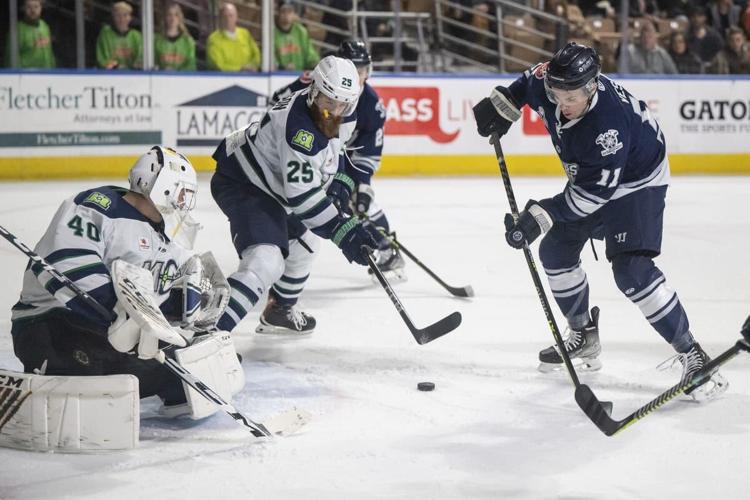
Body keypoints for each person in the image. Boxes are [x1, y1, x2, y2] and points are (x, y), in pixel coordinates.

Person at [472, 42, 728, 401]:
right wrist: (503, 106)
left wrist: (539, 215)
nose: (562, 103)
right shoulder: (553, 80)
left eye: (571, 96)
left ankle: (694, 354)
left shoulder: (609, 126)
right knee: (556, 251)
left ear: (592, 87)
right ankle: (584, 337)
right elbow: (528, 82)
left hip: (637, 182)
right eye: (557, 94)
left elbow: (592, 197)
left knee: (632, 271)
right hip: (594, 178)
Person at [9, 147, 207, 409]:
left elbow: (154, 298)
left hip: (104, 334)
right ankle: (57, 384)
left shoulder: (165, 236)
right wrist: (119, 311)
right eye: (183, 194)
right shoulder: (97, 206)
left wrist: (184, 306)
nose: (184, 204)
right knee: (90, 375)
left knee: (189, 369)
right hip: (50, 322)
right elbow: (67, 263)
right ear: (163, 187)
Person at [210, 55, 378, 335]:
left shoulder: (334, 107)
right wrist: (344, 232)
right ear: (314, 90)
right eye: (329, 101)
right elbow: (302, 199)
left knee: (307, 243)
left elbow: (339, 149)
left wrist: (342, 181)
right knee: (266, 259)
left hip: (274, 185)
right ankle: (211, 333)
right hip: (243, 182)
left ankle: (279, 310)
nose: (335, 111)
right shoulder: (300, 130)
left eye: (342, 104)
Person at [271, 40, 405, 283]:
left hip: (344, 157)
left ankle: (387, 248)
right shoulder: (318, 83)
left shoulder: (372, 106)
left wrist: (361, 184)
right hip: (316, 151)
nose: (359, 75)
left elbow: (368, 152)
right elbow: (277, 99)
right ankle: (283, 249)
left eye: (363, 69)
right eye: (354, 68)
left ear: (369, 71)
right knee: (299, 197)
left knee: (360, 202)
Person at [207, 2, 260, 72]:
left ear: (236, 17)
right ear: (220, 18)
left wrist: (252, 65)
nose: (228, 19)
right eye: (225, 16)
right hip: (224, 79)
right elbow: (218, 65)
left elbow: (257, 55)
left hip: (249, 76)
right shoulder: (213, 39)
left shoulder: (245, 34)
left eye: (231, 16)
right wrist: (240, 68)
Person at [5, 0, 55, 69]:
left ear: (41, 8)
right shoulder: (16, 30)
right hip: (25, 77)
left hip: (47, 76)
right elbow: (10, 60)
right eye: (29, 7)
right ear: (23, 8)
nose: (33, 10)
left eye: (36, 7)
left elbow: (50, 54)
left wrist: (53, 73)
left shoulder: (45, 26)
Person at [96, 1, 143, 70]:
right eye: (118, 15)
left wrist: (136, 65)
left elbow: (141, 58)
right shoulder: (105, 34)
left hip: (133, 77)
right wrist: (115, 66)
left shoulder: (136, 36)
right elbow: (102, 60)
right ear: (113, 17)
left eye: (125, 15)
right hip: (111, 77)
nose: (122, 19)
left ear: (130, 18)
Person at [275, 0, 320, 70]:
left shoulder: (301, 31)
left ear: (294, 14)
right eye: (283, 11)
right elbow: (271, 62)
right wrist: (283, 67)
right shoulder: (272, 33)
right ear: (278, 13)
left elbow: (311, 55)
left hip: (301, 74)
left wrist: (314, 63)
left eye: (289, 11)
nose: (286, 15)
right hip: (279, 76)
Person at [155, 3, 196, 71]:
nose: (172, 18)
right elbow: (153, 63)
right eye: (169, 15)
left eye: (176, 15)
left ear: (180, 18)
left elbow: (191, 66)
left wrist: (176, 73)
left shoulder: (188, 41)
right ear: (165, 17)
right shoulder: (156, 40)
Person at [687, 5, 725, 69]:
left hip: (713, 68)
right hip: (692, 69)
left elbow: (722, 52)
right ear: (690, 19)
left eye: (699, 16)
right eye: (693, 16)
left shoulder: (714, 35)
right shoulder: (686, 36)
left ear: (704, 18)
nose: (696, 19)